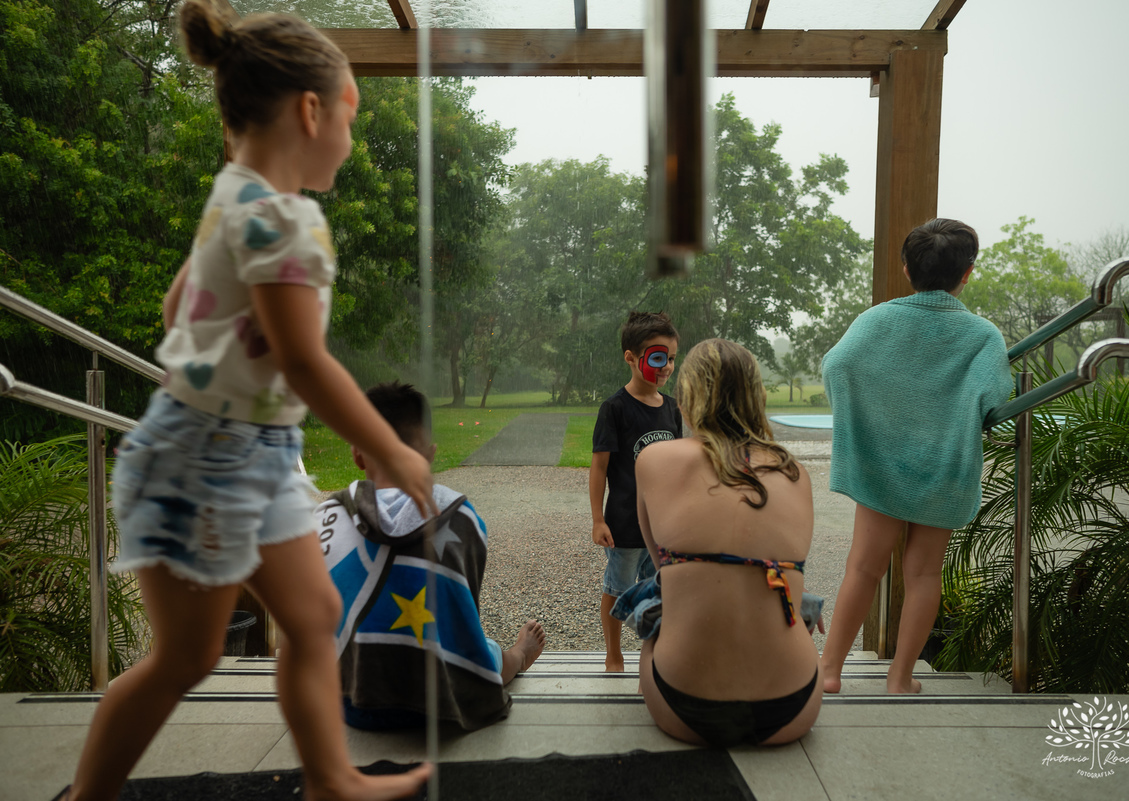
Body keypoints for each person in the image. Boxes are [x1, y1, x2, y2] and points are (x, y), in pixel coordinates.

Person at [62, 4, 435, 799]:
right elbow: (305, 363)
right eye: (350, 112)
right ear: (310, 109)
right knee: (186, 659)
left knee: (311, 617)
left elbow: (175, 314)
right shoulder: (286, 222)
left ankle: (331, 776)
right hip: (208, 460)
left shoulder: (232, 195)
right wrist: (396, 451)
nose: (350, 132)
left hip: (243, 452)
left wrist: (235, 346)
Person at [819, 218, 1013, 695]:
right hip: (944, 467)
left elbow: (837, 365)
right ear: (967, 273)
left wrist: (872, 417)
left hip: (883, 466)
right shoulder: (982, 335)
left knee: (863, 566)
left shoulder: (876, 320)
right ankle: (900, 678)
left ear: (906, 268)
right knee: (925, 573)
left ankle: (828, 673)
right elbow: (995, 395)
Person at [620, 338, 823, 747]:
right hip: (794, 704)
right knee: (786, 590)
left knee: (656, 599)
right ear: (756, 394)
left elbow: (662, 565)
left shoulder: (654, 459)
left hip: (684, 703)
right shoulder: (795, 474)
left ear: (688, 395)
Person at [319, 382, 545, 731]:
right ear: (430, 453)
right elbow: (459, 613)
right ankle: (519, 655)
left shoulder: (325, 519)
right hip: (442, 702)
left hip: (350, 702)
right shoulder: (462, 517)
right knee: (485, 648)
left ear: (357, 454)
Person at [590, 311, 683, 672]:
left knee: (661, 589)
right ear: (630, 357)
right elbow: (599, 467)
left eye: (672, 358)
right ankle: (614, 654)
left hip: (663, 527)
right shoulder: (614, 409)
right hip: (626, 526)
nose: (666, 367)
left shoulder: (672, 409)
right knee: (617, 588)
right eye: (658, 358)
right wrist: (598, 519)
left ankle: (657, 650)